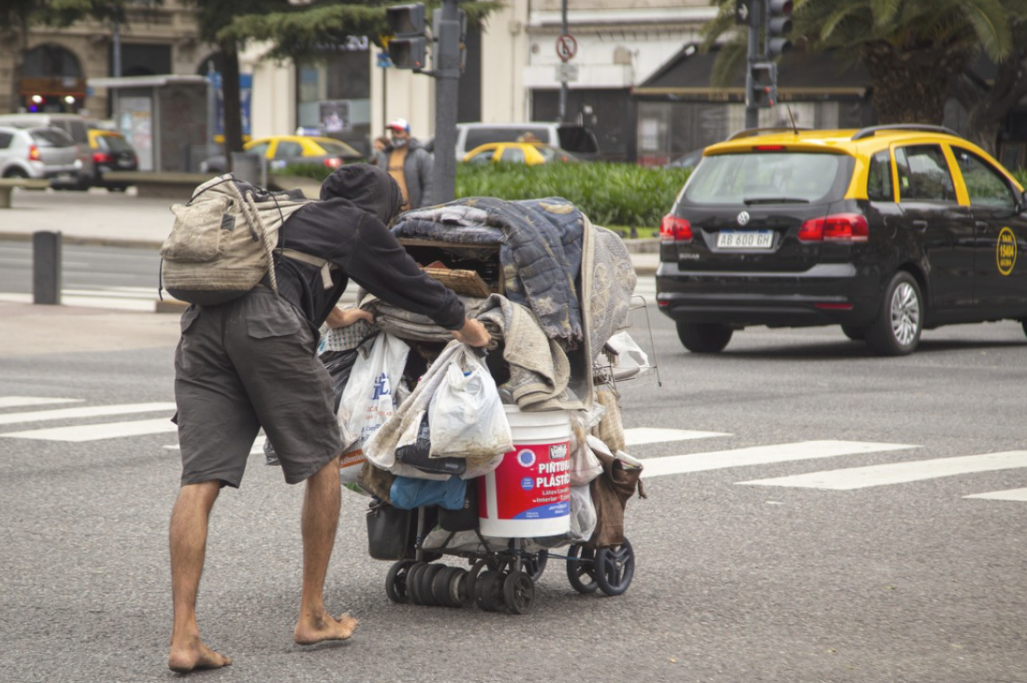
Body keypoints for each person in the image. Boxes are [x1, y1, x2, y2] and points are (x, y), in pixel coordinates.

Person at [166, 164, 490, 673]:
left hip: (203, 329)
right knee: (324, 463)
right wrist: (471, 330)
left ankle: (184, 638)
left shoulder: (292, 214)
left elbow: (289, 272)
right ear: (381, 207)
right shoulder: (358, 223)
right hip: (268, 329)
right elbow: (415, 287)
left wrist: (338, 315)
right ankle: (313, 615)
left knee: (199, 480)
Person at [376, 117, 433, 210]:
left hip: (412, 212)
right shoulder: (385, 155)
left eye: (398, 132)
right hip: (390, 212)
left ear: (408, 134)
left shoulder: (420, 155)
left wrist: (422, 210)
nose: (394, 135)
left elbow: (429, 185)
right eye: (392, 132)